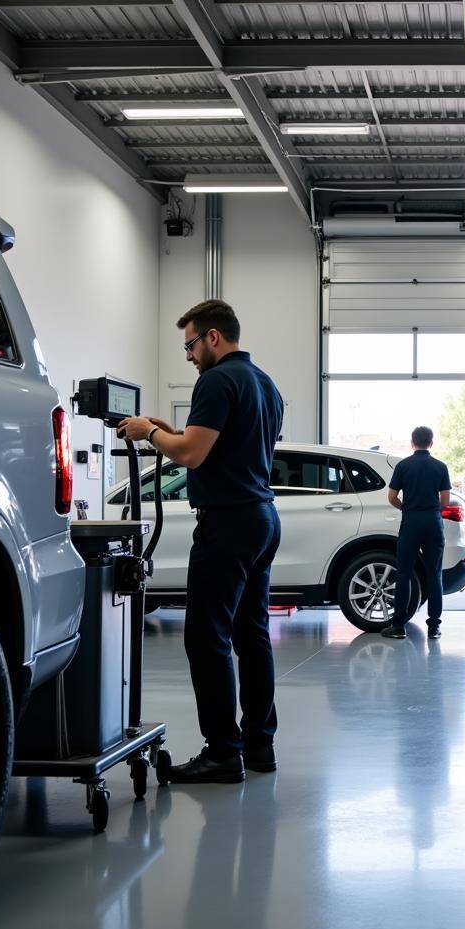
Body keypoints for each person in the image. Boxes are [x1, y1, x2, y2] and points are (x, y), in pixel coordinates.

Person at [116, 299, 284, 783]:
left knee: (206, 637)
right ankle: (259, 747)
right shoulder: (264, 384)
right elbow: (222, 444)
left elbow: (191, 454)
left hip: (228, 522)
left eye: (190, 344)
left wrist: (150, 433)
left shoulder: (215, 380)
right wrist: (165, 431)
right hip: (261, 518)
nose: (187, 355)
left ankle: (221, 752)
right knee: (252, 636)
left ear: (212, 337)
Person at [381, 426, 451, 641]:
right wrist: (432, 510)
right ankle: (434, 628)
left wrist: (406, 507)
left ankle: (399, 626)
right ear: (431, 443)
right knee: (434, 575)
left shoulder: (403, 465)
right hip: (433, 522)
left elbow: (391, 497)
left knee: (403, 573)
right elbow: (446, 501)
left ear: (412, 442)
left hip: (411, 521)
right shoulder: (440, 467)